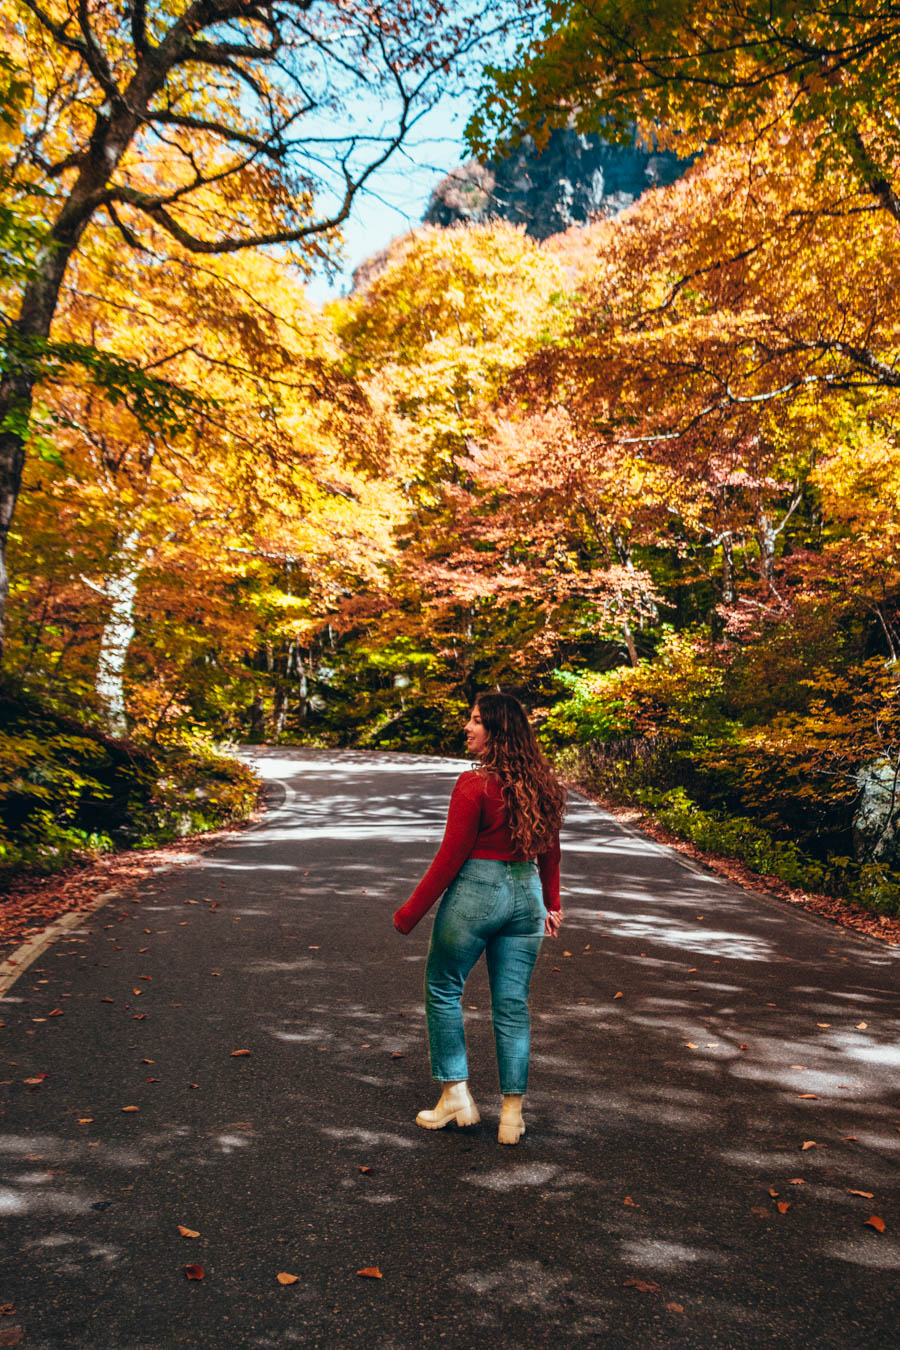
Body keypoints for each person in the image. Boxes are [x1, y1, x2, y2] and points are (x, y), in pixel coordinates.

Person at [393, 692, 566, 1145]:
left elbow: (451, 857)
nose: (467, 728)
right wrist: (552, 903)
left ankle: (456, 1094)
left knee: (444, 986)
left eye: (475, 721)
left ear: (496, 729)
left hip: (476, 892)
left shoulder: (474, 785)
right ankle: (511, 1115)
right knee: (512, 1005)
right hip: (526, 895)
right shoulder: (544, 785)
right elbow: (551, 853)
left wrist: (411, 913)